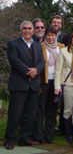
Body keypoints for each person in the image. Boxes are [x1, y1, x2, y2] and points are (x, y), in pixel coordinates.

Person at [5, 20, 45, 150]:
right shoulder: (13, 44)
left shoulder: (38, 45)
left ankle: (24, 138)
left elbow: (41, 62)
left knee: (30, 114)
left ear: (32, 31)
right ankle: (10, 139)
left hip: (33, 85)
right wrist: (29, 71)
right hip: (19, 84)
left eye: (29, 28)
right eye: (25, 28)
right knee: (15, 114)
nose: (27, 31)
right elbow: (14, 61)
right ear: (21, 30)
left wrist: (37, 70)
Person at [32, 26, 65, 144]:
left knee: (52, 109)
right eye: (48, 35)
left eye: (53, 35)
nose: (51, 38)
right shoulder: (40, 47)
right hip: (43, 81)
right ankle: (38, 135)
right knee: (40, 109)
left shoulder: (61, 47)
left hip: (56, 83)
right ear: (45, 36)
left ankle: (49, 135)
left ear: (56, 36)